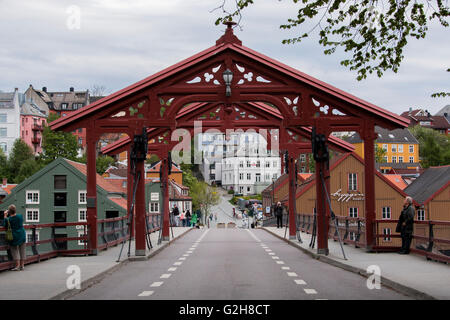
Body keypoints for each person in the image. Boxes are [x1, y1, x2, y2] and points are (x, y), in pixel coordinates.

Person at [3, 205, 26, 271]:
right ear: (15, 210)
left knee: (15, 250)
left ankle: (17, 266)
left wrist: (5, 215)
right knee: (22, 250)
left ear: (9, 212)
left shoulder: (9, 219)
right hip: (22, 234)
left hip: (14, 236)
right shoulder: (20, 216)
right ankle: (22, 265)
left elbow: (5, 226)